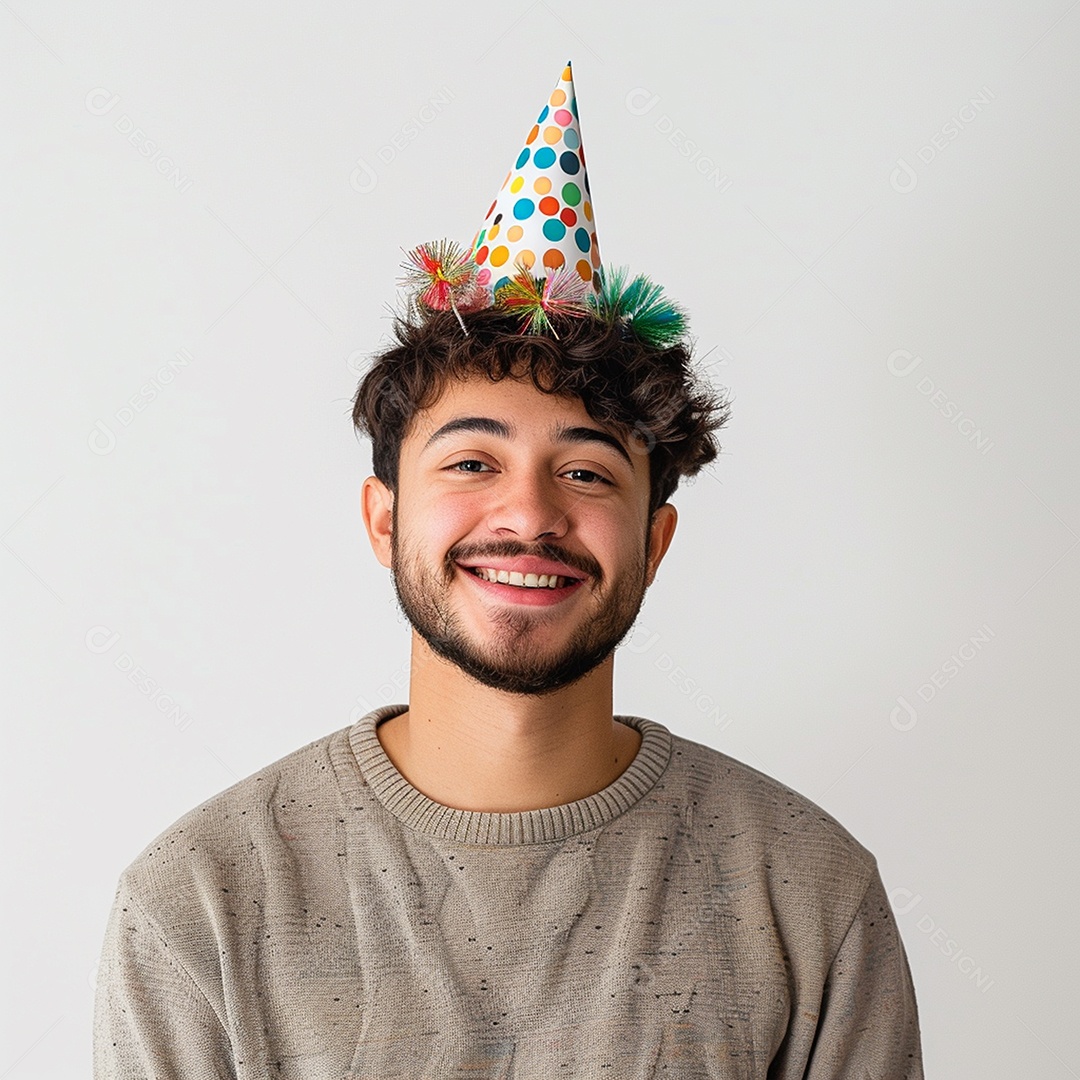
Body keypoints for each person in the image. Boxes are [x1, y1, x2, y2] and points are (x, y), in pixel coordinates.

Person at [94, 64, 923, 1078]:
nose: (529, 515)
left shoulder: (807, 895)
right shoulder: (200, 904)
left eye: (585, 472)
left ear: (654, 542)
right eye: (472, 463)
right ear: (384, 519)